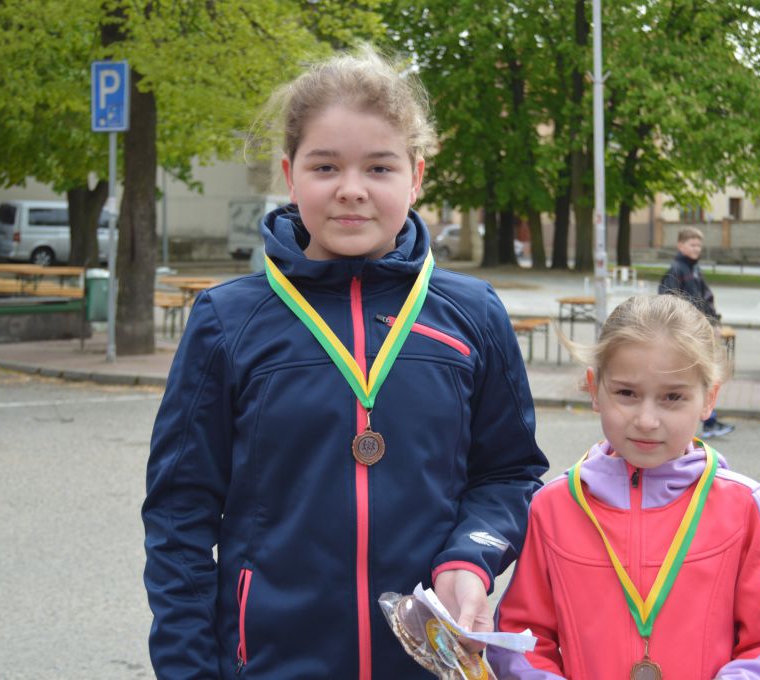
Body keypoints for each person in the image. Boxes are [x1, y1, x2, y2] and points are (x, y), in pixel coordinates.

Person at [142, 48, 548, 679]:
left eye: (379, 167)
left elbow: (509, 472)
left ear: (416, 177)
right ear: (290, 175)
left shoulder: (472, 314)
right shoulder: (228, 321)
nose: (351, 188)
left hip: (426, 666)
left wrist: (470, 557)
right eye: (325, 166)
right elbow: (179, 514)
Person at [490, 295, 760, 679]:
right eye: (627, 393)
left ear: (709, 398)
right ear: (595, 389)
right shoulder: (553, 506)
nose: (646, 420)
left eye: (672, 397)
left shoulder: (744, 506)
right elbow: (522, 637)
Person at [658, 226, 733, 438]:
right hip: (686, 336)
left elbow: (705, 298)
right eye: (692, 244)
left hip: (699, 332)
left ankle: (709, 421)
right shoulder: (676, 270)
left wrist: (714, 322)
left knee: (699, 377)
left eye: (699, 245)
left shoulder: (694, 269)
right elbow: (668, 302)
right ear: (680, 245)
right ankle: (706, 422)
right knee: (694, 378)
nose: (696, 249)